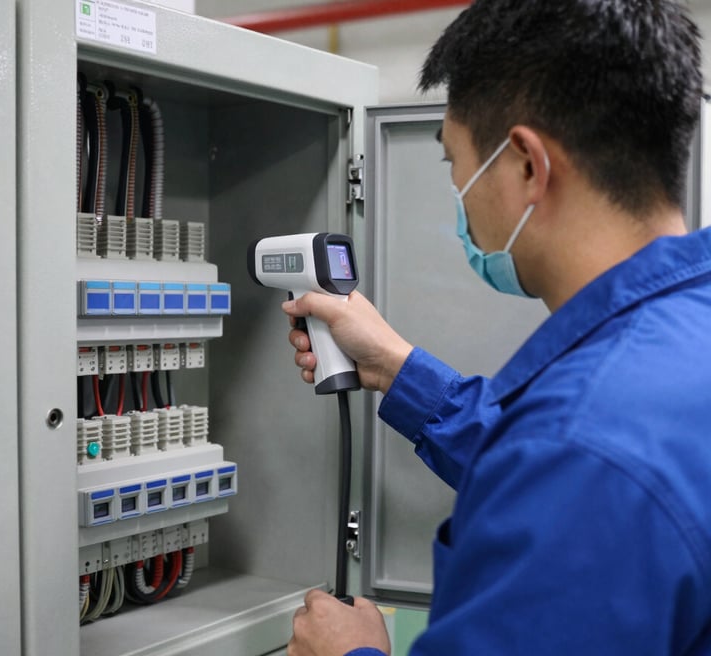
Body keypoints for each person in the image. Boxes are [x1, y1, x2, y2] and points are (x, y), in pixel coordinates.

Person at [283, 1, 711, 655]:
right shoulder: (682, 329)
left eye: (455, 163)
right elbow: (606, 476)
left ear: (526, 166)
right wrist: (401, 372)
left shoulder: (581, 447)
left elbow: (580, 467)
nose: (459, 189)